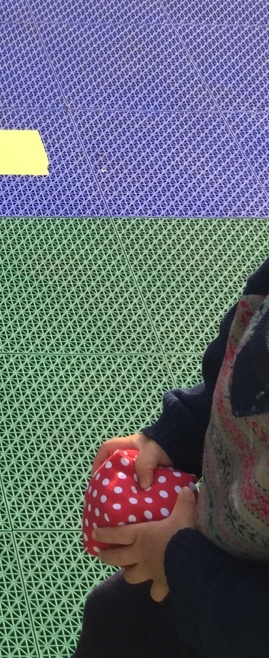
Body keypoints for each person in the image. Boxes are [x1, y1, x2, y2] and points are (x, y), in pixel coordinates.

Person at [72, 254, 269, 657]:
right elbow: (245, 342)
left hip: (233, 613)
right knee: (113, 614)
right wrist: (183, 429)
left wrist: (189, 570)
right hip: (201, 551)